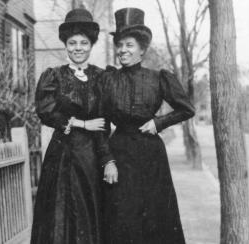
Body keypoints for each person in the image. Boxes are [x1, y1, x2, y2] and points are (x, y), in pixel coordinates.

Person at [102, 8, 195, 244]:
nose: (123, 50)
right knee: (121, 217)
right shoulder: (109, 80)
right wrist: (107, 160)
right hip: (120, 154)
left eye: (129, 45)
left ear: (142, 49)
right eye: (120, 44)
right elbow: (102, 123)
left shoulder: (158, 78)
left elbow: (187, 108)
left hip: (151, 155)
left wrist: (159, 122)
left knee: (155, 216)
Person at [30, 8, 117, 244]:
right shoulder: (54, 76)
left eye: (83, 42)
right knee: (61, 214)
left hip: (91, 156)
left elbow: (108, 116)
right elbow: (46, 111)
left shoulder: (102, 77)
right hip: (62, 156)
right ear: (65, 45)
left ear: (91, 45)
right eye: (72, 43)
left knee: (90, 212)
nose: (78, 48)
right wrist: (82, 123)